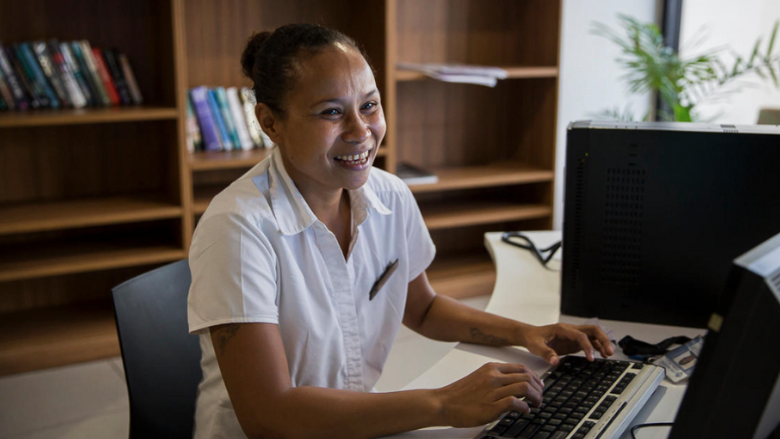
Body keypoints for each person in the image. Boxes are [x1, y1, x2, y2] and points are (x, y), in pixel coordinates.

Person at [187, 23, 613, 439]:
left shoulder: (389, 194)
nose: (361, 131)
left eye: (369, 106)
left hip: (354, 423)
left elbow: (422, 308)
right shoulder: (238, 228)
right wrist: (442, 403)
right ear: (270, 122)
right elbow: (269, 416)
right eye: (331, 112)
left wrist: (524, 333)